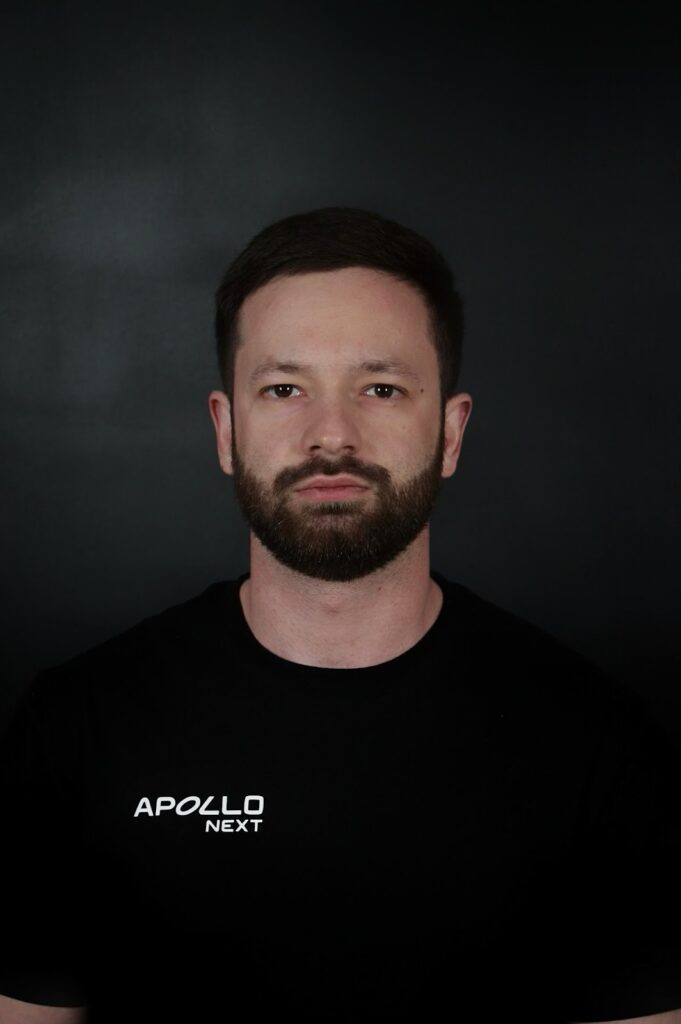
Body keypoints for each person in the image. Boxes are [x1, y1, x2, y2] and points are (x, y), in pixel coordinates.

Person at [1, 206, 679, 1024]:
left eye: (380, 388)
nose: (331, 436)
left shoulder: (601, 749)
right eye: (284, 389)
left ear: (450, 433)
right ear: (226, 429)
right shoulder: (75, 728)